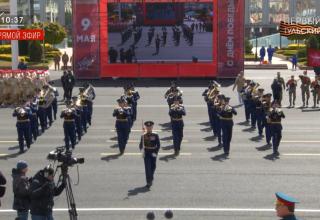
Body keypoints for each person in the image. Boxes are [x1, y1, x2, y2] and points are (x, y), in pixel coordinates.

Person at [139, 121, 160, 189]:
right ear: (146, 127)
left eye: (150, 127)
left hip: (153, 152)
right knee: (147, 168)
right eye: (147, 127)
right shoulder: (143, 135)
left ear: (152, 127)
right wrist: (142, 151)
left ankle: (151, 177)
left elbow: (158, 145)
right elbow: (140, 145)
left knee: (153, 167)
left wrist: (156, 152)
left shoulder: (155, 135)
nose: (149, 128)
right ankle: (148, 181)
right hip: (147, 153)